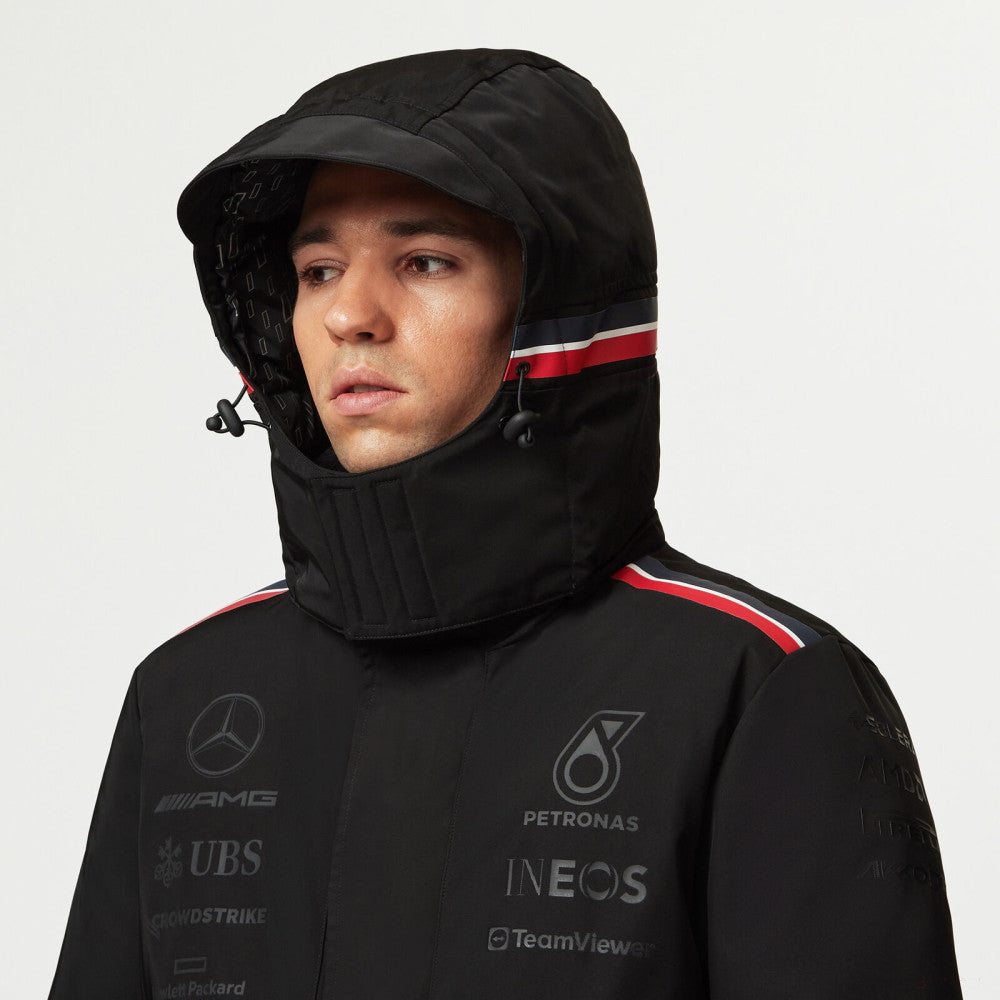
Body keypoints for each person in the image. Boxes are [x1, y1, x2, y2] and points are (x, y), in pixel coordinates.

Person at [47, 47, 963, 999]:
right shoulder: (186, 694)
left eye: (425, 261)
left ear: (551, 314)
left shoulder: (755, 689)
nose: (350, 314)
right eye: (318, 269)